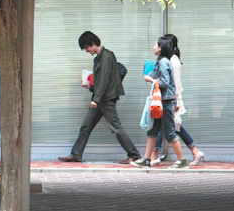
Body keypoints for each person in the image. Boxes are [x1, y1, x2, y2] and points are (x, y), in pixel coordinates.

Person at [58, 31, 141, 164]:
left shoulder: (107, 56)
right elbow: (100, 81)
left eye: (87, 48)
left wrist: (96, 99)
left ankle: (135, 155)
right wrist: (90, 86)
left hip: (106, 99)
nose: (87, 51)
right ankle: (76, 154)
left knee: (116, 128)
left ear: (92, 43)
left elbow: (105, 80)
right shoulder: (98, 58)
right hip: (100, 98)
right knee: (86, 126)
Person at [131, 36, 189, 169]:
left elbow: (164, 82)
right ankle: (146, 159)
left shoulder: (163, 62)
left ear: (161, 48)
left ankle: (182, 160)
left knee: (169, 132)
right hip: (160, 102)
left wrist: (150, 80)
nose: (153, 47)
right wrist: (150, 74)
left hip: (166, 102)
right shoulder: (162, 61)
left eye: (155, 45)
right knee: (152, 130)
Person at [150, 34, 205, 166]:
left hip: (171, 98)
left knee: (169, 127)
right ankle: (194, 151)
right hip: (171, 97)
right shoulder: (169, 59)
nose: (154, 46)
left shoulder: (172, 61)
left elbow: (174, 82)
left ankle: (155, 156)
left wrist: (175, 101)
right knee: (171, 126)